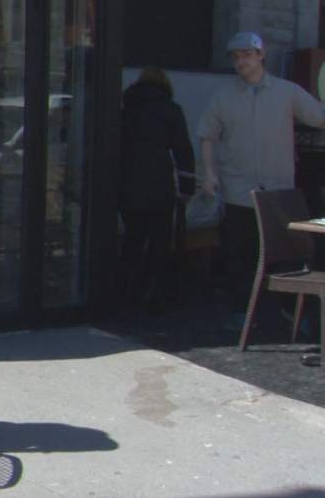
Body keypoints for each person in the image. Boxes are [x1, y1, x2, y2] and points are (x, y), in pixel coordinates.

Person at [197, 31, 325, 328]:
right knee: (239, 256)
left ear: (261, 55)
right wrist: (209, 175)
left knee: (291, 255)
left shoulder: (286, 92)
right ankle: (241, 314)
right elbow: (206, 135)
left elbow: (318, 117)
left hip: (279, 191)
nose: (241, 61)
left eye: (247, 55)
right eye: (236, 57)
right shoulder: (223, 97)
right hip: (239, 191)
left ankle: (292, 313)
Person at [119, 67, 194, 310]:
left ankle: (126, 290)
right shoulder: (171, 110)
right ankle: (153, 292)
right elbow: (183, 150)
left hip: (128, 180)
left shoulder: (125, 109)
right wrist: (187, 187)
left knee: (133, 237)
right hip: (158, 183)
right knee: (159, 241)